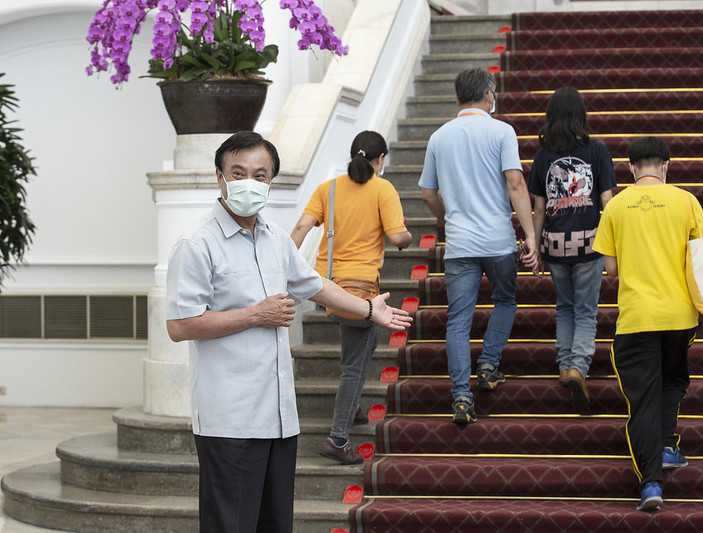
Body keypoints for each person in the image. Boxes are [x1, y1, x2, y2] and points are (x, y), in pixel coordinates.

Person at [165, 131, 412, 533]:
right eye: (238, 172)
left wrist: (369, 310)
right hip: (229, 421)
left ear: (270, 181)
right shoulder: (197, 244)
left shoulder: (276, 238)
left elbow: (315, 285)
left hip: (278, 418)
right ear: (219, 177)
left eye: (260, 175)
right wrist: (255, 315)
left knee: (274, 524)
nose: (250, 182)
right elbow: (179, 325)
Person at [593, 136, 703, 512]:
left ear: (630, 168)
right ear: (666, 165)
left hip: (637, 318)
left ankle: (651, 484)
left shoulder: (615, 207)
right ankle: (666, 444)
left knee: (642, 400)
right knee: (673, 379)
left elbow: (610, 268)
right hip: (679, 316)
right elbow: (698, 255)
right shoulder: (686, 201)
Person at [419, 67, 536, 425]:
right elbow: (515, 183)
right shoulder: (502, 131)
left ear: (457, 98)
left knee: (458, 321)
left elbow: (427, 192)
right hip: (498, 240)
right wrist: (530, 233)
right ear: (489, 94)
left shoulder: (439, 136)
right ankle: (488, 364)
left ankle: (461, 397)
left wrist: (444, 219)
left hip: (459, 244)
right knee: (505, 300)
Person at [291, 130, 412, 465]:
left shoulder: (327, 189)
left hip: (325, 285)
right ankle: (338, 438)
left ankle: (353, 408)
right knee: (356, 364)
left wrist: (280, 265)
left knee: (359, 349)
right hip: (359, 289)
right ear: (380, 159)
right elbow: (398, 236)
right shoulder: (382, 188)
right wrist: (407, 235)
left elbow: (301, 229)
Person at [526, 87, 616, 414]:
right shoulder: (596, 152)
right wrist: (616, 244)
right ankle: (579, 365)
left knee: (564, 307)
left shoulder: (542, 157)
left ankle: (564, 365)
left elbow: (539, 207)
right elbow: (606, 202)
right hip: (590, 244)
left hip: (555, 245)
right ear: (581, 115)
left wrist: (534, 247)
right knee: (586, 310)